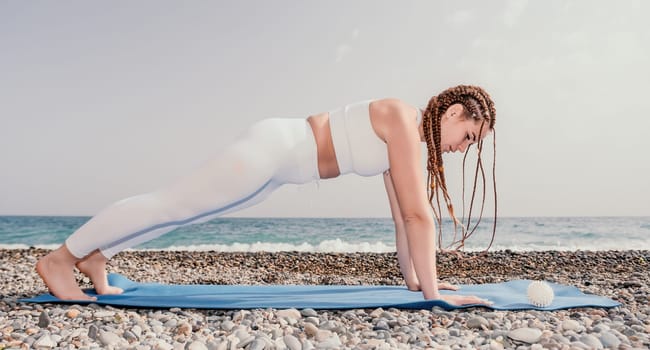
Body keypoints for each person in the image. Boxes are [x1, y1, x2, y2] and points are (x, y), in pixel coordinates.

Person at [36, 84, 497, 306]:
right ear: (454, 112)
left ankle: (97, 255)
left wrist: (418, 284)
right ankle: (60, 259)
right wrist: (439, 297)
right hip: (273, 150)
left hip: (279, 169)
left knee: (184, 216)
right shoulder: (401, 116)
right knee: (171, 203)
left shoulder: (405, 140)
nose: (462, 148)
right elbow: (421, 217)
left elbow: (402, 219)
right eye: (469, 135)